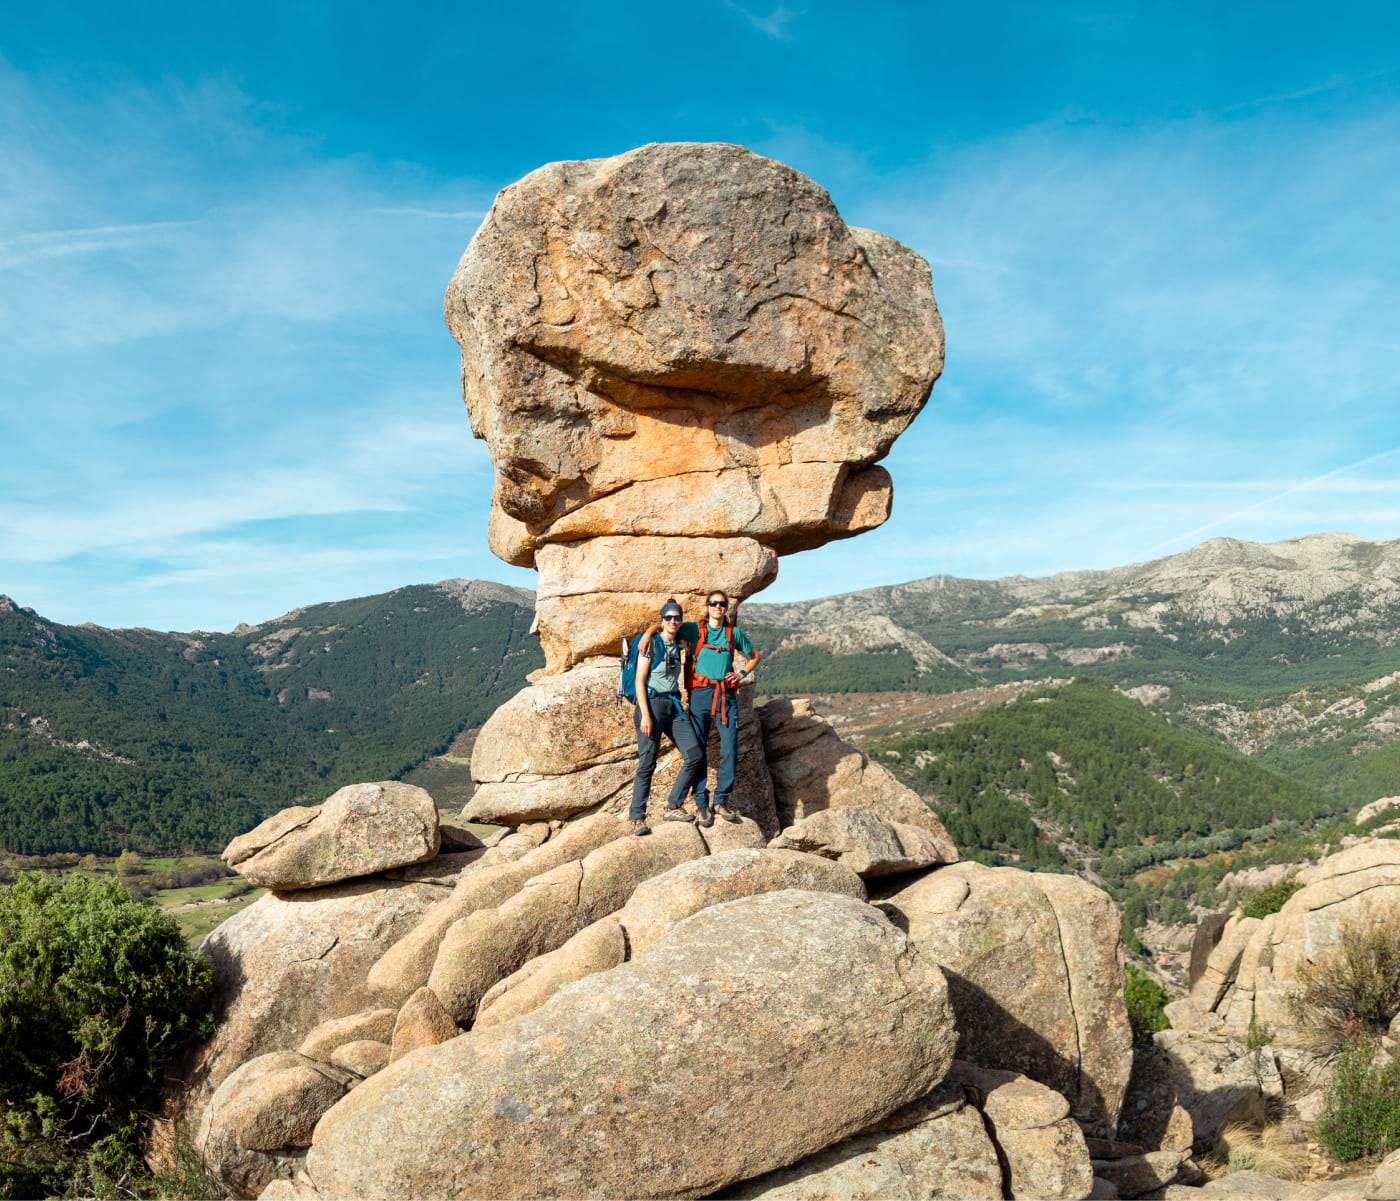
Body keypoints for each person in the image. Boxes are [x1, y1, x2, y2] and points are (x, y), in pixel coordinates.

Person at [628, 599, 707, 836]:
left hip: (673, 705)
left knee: (694, 753)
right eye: (668, 617)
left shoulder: (678, 644)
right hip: (650, 705)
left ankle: (674, 805)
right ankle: (637, 817)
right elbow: (639, 681)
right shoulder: (651, 643)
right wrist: (644, 715)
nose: (673, 621)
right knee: (647, 762)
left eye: (676, 617)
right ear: (662, 620)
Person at [680, 589, 760, 823]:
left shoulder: (733, 633)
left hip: (726, 696)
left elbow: (755, 655)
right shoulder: (695, 629)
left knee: (730, 750)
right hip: (700, 694)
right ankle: (702, 803)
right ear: (707, 607)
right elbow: (667, 629)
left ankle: (721, 801)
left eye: (722, 604)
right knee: (698, 750)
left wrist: (742, 672)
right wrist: (648, 635)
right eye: (714, 603)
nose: (718, 607)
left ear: (726, 608)